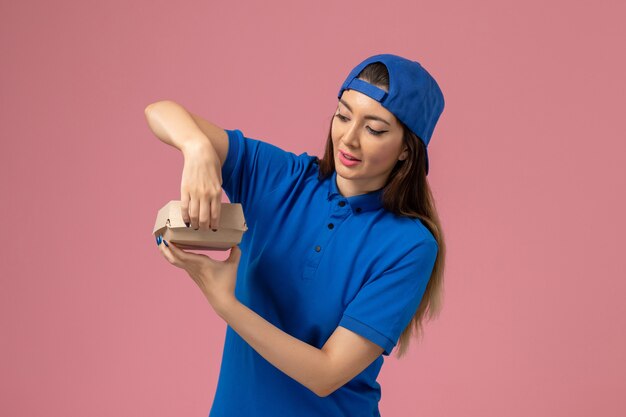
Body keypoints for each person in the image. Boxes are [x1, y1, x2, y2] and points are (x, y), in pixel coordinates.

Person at [146, 53, 447, 417]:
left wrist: (226, 302)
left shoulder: (409, 245)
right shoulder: (282, 178)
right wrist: (196, 149)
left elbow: (327, 373)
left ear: (406, 150)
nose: (348, 139)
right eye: (343, 115)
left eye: (374, 129)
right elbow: (159, 111)